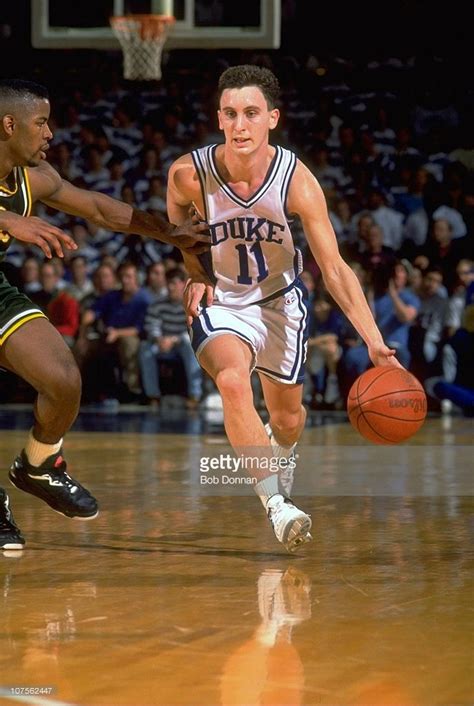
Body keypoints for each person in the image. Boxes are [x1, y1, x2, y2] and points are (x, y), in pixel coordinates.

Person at [166, 65, 399, 552]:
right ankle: (277, 505)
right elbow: (179, 229)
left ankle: (280, 454)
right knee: (231, 380)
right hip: (225, 300)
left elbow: (333, 269)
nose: (239, 124)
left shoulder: (296, 181)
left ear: (272, 117)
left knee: (289, 420)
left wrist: (375, 341)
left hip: (279, 303)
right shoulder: (189, 174)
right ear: (219, 118)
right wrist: (195, 272)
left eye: (251, 113)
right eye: (230, 114)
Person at [0, 79, 207, 550]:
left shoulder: (35, 178)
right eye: (40, 123)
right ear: (8, 125)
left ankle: (38, 465)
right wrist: (9, 220)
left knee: (64, 380)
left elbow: (99, 208)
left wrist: (170, 233)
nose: (50, 132)